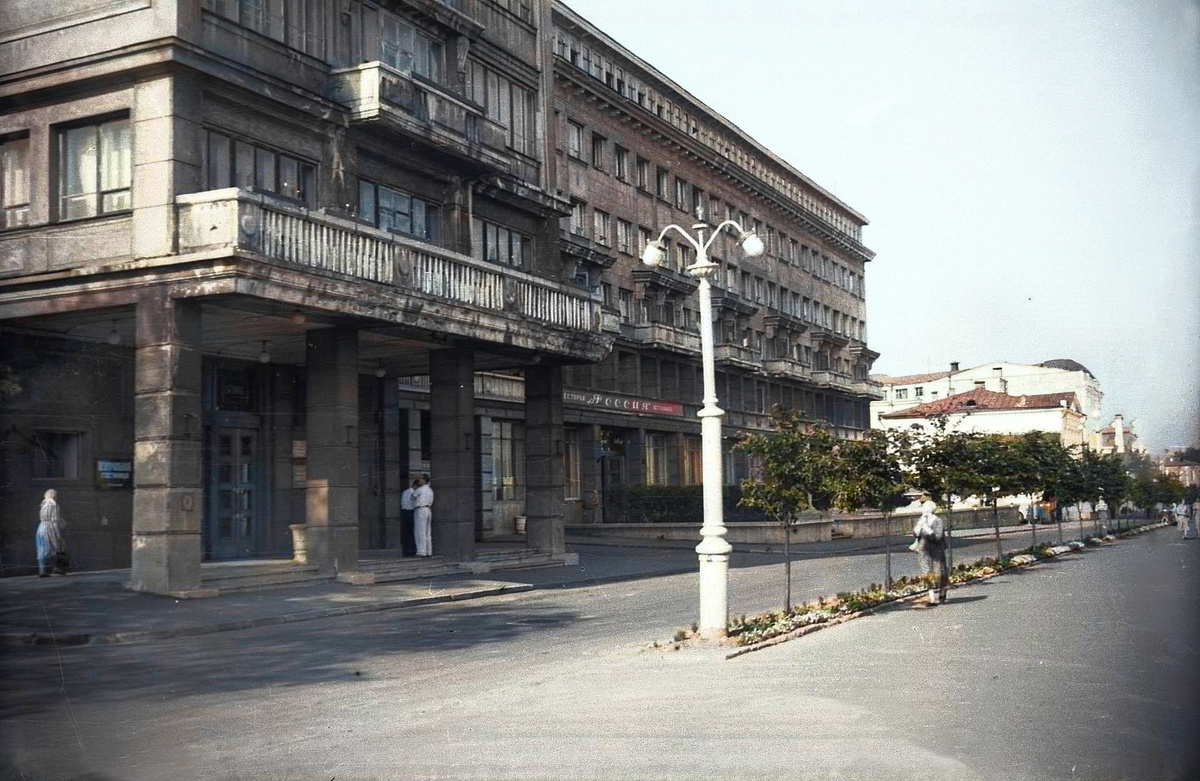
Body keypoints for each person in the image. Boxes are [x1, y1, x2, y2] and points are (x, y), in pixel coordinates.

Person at [912, 499, 949, 605]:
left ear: (931, 509)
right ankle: (932, 598)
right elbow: (916, 534)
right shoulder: (921, 519)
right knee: (926, 572)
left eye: (925, 508)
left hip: (936, 550)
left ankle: (943, 590)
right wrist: (918, 527)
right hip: (923, 550)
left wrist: (927, 528)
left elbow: (937, 537)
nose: (923, 510)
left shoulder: (938, 521)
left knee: (939, 572)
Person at [35, 489, 67, 577]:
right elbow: (55, 520)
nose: (58, 497)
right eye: (56, 495)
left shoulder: (43, 504)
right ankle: (57, 567)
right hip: (50, 528)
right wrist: (58, 534)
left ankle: (42, 570)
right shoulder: (54, 505)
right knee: (58, 546)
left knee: (42, 549)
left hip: (41, 528)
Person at [413, 474, 434, 557]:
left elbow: (412, 497)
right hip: (428, 509)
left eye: (420, 479)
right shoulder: (430, 490)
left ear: (424, 480)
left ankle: (421, 551)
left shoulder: (420, 489)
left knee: (420, 530)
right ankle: (429, 551)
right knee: (427, 531)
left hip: (420, 509)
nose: (419, 480)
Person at [400, 480, 417, 557]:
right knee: (411, 532)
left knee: (405, 532)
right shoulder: (413, 493)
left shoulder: (405, 492)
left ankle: (405, 551)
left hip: (404, 512)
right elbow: (414, 503)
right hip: (411, 512)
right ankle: (411, 550)